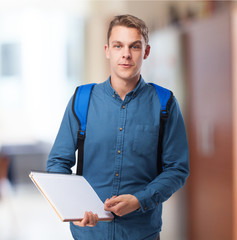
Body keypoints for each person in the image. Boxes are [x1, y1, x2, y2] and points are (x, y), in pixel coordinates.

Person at [47, 14, 189, 240]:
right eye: (118, 45)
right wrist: (74, 208)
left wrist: (139, 200)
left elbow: (177, 169)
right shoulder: (81, 99)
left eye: (134, 46)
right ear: (107, 50)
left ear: (146, 52)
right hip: (89, 233)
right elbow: (58, 162)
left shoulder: (165, 104)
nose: (126, 54)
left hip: (141, 233)